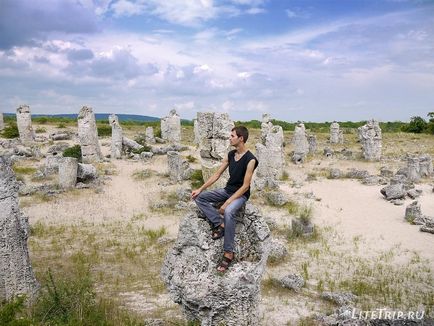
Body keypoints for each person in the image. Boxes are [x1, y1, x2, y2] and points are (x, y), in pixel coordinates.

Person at [191, 126, 258, 273]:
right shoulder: (230, 154)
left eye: (232, 135)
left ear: (241, 138)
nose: (230, 138)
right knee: (200, 198)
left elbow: (246, 186)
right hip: (227, 190)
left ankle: (229, 252)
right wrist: (200, 189)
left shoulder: (251, 159)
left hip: (240, 195)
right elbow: (216, 175)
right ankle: (219, 223)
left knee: (228, 212)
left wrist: (227, 202)